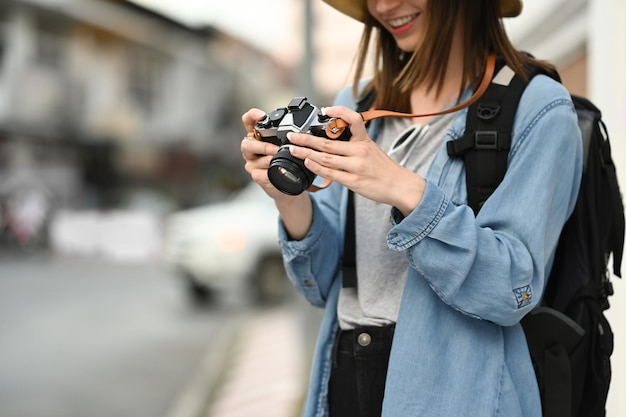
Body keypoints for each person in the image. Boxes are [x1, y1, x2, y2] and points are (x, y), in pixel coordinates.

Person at [240, 0, 583, 416]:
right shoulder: (358, 102)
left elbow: (512, 288)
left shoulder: (538, 107)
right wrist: (287, 196)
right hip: (345, 376)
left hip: (457, 391)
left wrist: (404, 190)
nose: (385, 5)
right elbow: (323, 284)